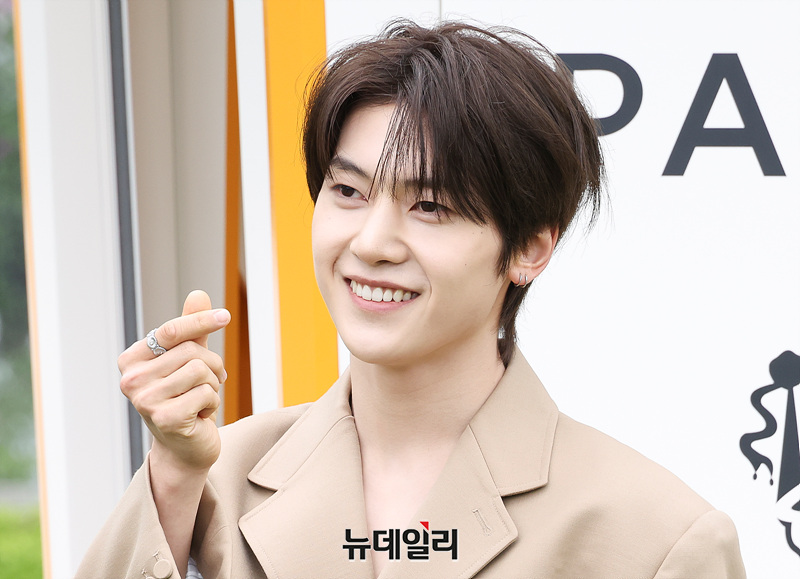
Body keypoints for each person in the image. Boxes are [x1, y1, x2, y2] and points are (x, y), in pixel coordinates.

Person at [78, 21, 746, 579]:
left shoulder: (656, 538)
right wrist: (174, 472)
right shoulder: (215, 478)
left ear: (529, 248)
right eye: (348, 191)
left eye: (429, 205)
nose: (370, 242)